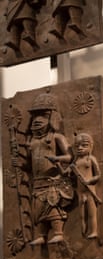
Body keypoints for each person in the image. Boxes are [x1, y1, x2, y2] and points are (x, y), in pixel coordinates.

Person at [12, 93, 73, 245]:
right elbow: (28, 165)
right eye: (35, 116)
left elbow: (70, 157)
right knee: (38, 210)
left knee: (52, 207)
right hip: (38, 182)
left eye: (43, 115)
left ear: (52, 117)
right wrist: (18, 162)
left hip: (52, 180)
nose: (38, 120)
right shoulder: (32, 141)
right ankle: (41, 235)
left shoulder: (56, 138)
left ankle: (58, 232)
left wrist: (57, 159)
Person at [70, 133, 102, 239]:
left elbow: (98, 175)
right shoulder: (76, 161)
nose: (80, 148)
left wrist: (89, 181)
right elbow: (68, 173)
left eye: (84, 145)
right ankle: (83, 232)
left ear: (90, 146)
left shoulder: (91, 159)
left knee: (92, 213)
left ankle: (94, 231)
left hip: (90, 190)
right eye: (77, 146)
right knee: (82, 215)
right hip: (80, 191)